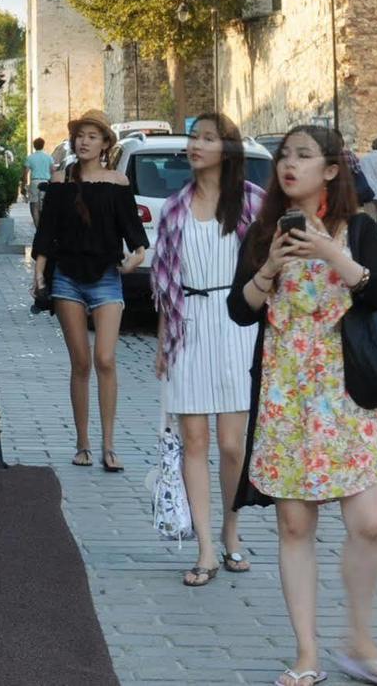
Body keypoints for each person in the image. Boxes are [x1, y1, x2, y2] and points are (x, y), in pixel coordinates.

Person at [229, 125, 377, 686]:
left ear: (331, 169)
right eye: (284, 156)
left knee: (369, 522)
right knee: (295, 524)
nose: (289, 165)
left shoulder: (358, 228)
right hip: (286, 394)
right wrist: (270, 268)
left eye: (304, 156)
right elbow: (240, 310)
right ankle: (307, 655)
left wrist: (330, 250)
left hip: (345, 390)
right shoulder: (263, 234)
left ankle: (359, 639)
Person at [151, 109, 264, 586]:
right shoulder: (173, 208)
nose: (196, 145)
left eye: (208, 138)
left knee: (232, 445)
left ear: (227, 148)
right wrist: (162, 340)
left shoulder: (255, 204)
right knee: (194, 443)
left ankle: (231, 531)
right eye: (193, 137)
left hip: (239, 323)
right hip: (189, 327)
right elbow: (166, 282)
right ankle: (204, 549)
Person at [32, 109, 148, 475]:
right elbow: (47, 231)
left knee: (107, 359)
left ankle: (109, 445)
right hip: (67, 278)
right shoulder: (61, 181)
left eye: (92, 136)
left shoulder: (117, 183)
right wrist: (38, 270)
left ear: (105, 144)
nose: (83, 141)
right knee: (81, 362)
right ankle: (82, 444)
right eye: (80, 135)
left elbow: (135, 235)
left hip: (106, 278)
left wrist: (135, 259)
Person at [25, 136, 56, 205]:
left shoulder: (30, 158)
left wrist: (24, 184)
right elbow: (53, 170)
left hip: (34, 182)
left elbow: (26, 172)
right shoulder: (49, 157)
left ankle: (36, 216)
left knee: (34, 203)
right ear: (43, 145)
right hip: (45, 181)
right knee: (45, 202)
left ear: (34, 146)